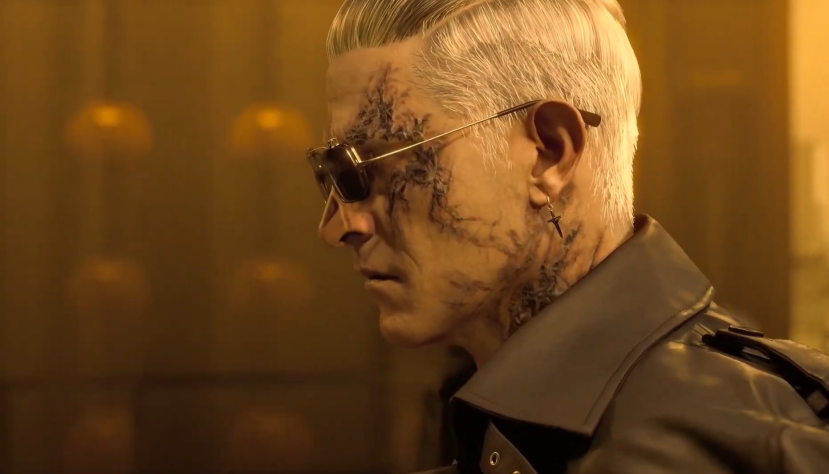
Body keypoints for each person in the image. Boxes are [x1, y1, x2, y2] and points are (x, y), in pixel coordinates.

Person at [307, 1, 829, 472]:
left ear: (549, 154)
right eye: (329, 175)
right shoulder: (554, 426)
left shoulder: (704, 448)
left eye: (367, 169)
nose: (336, 227)